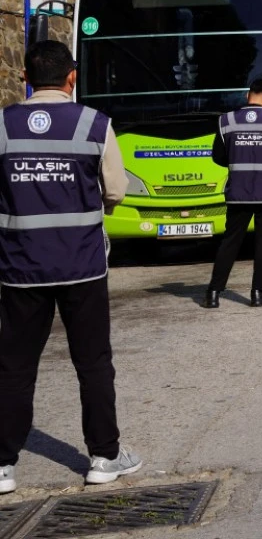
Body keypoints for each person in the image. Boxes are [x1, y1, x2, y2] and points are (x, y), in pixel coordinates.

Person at [0, 41, 141, 493]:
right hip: (81, 266)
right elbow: (116, 191)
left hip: (18, 268)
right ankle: (104, 456)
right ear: (72, 77)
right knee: (93, 363)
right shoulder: (94, 124)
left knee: (14, 366)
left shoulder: (2, 126)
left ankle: (3, 466)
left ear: (25, 78)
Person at [204, 79, 262, 309]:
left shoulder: (226, 121)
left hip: (239, 192)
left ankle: (213, 293)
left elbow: (218, 156)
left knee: (230, 242)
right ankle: (257, 293)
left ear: (248, 96)